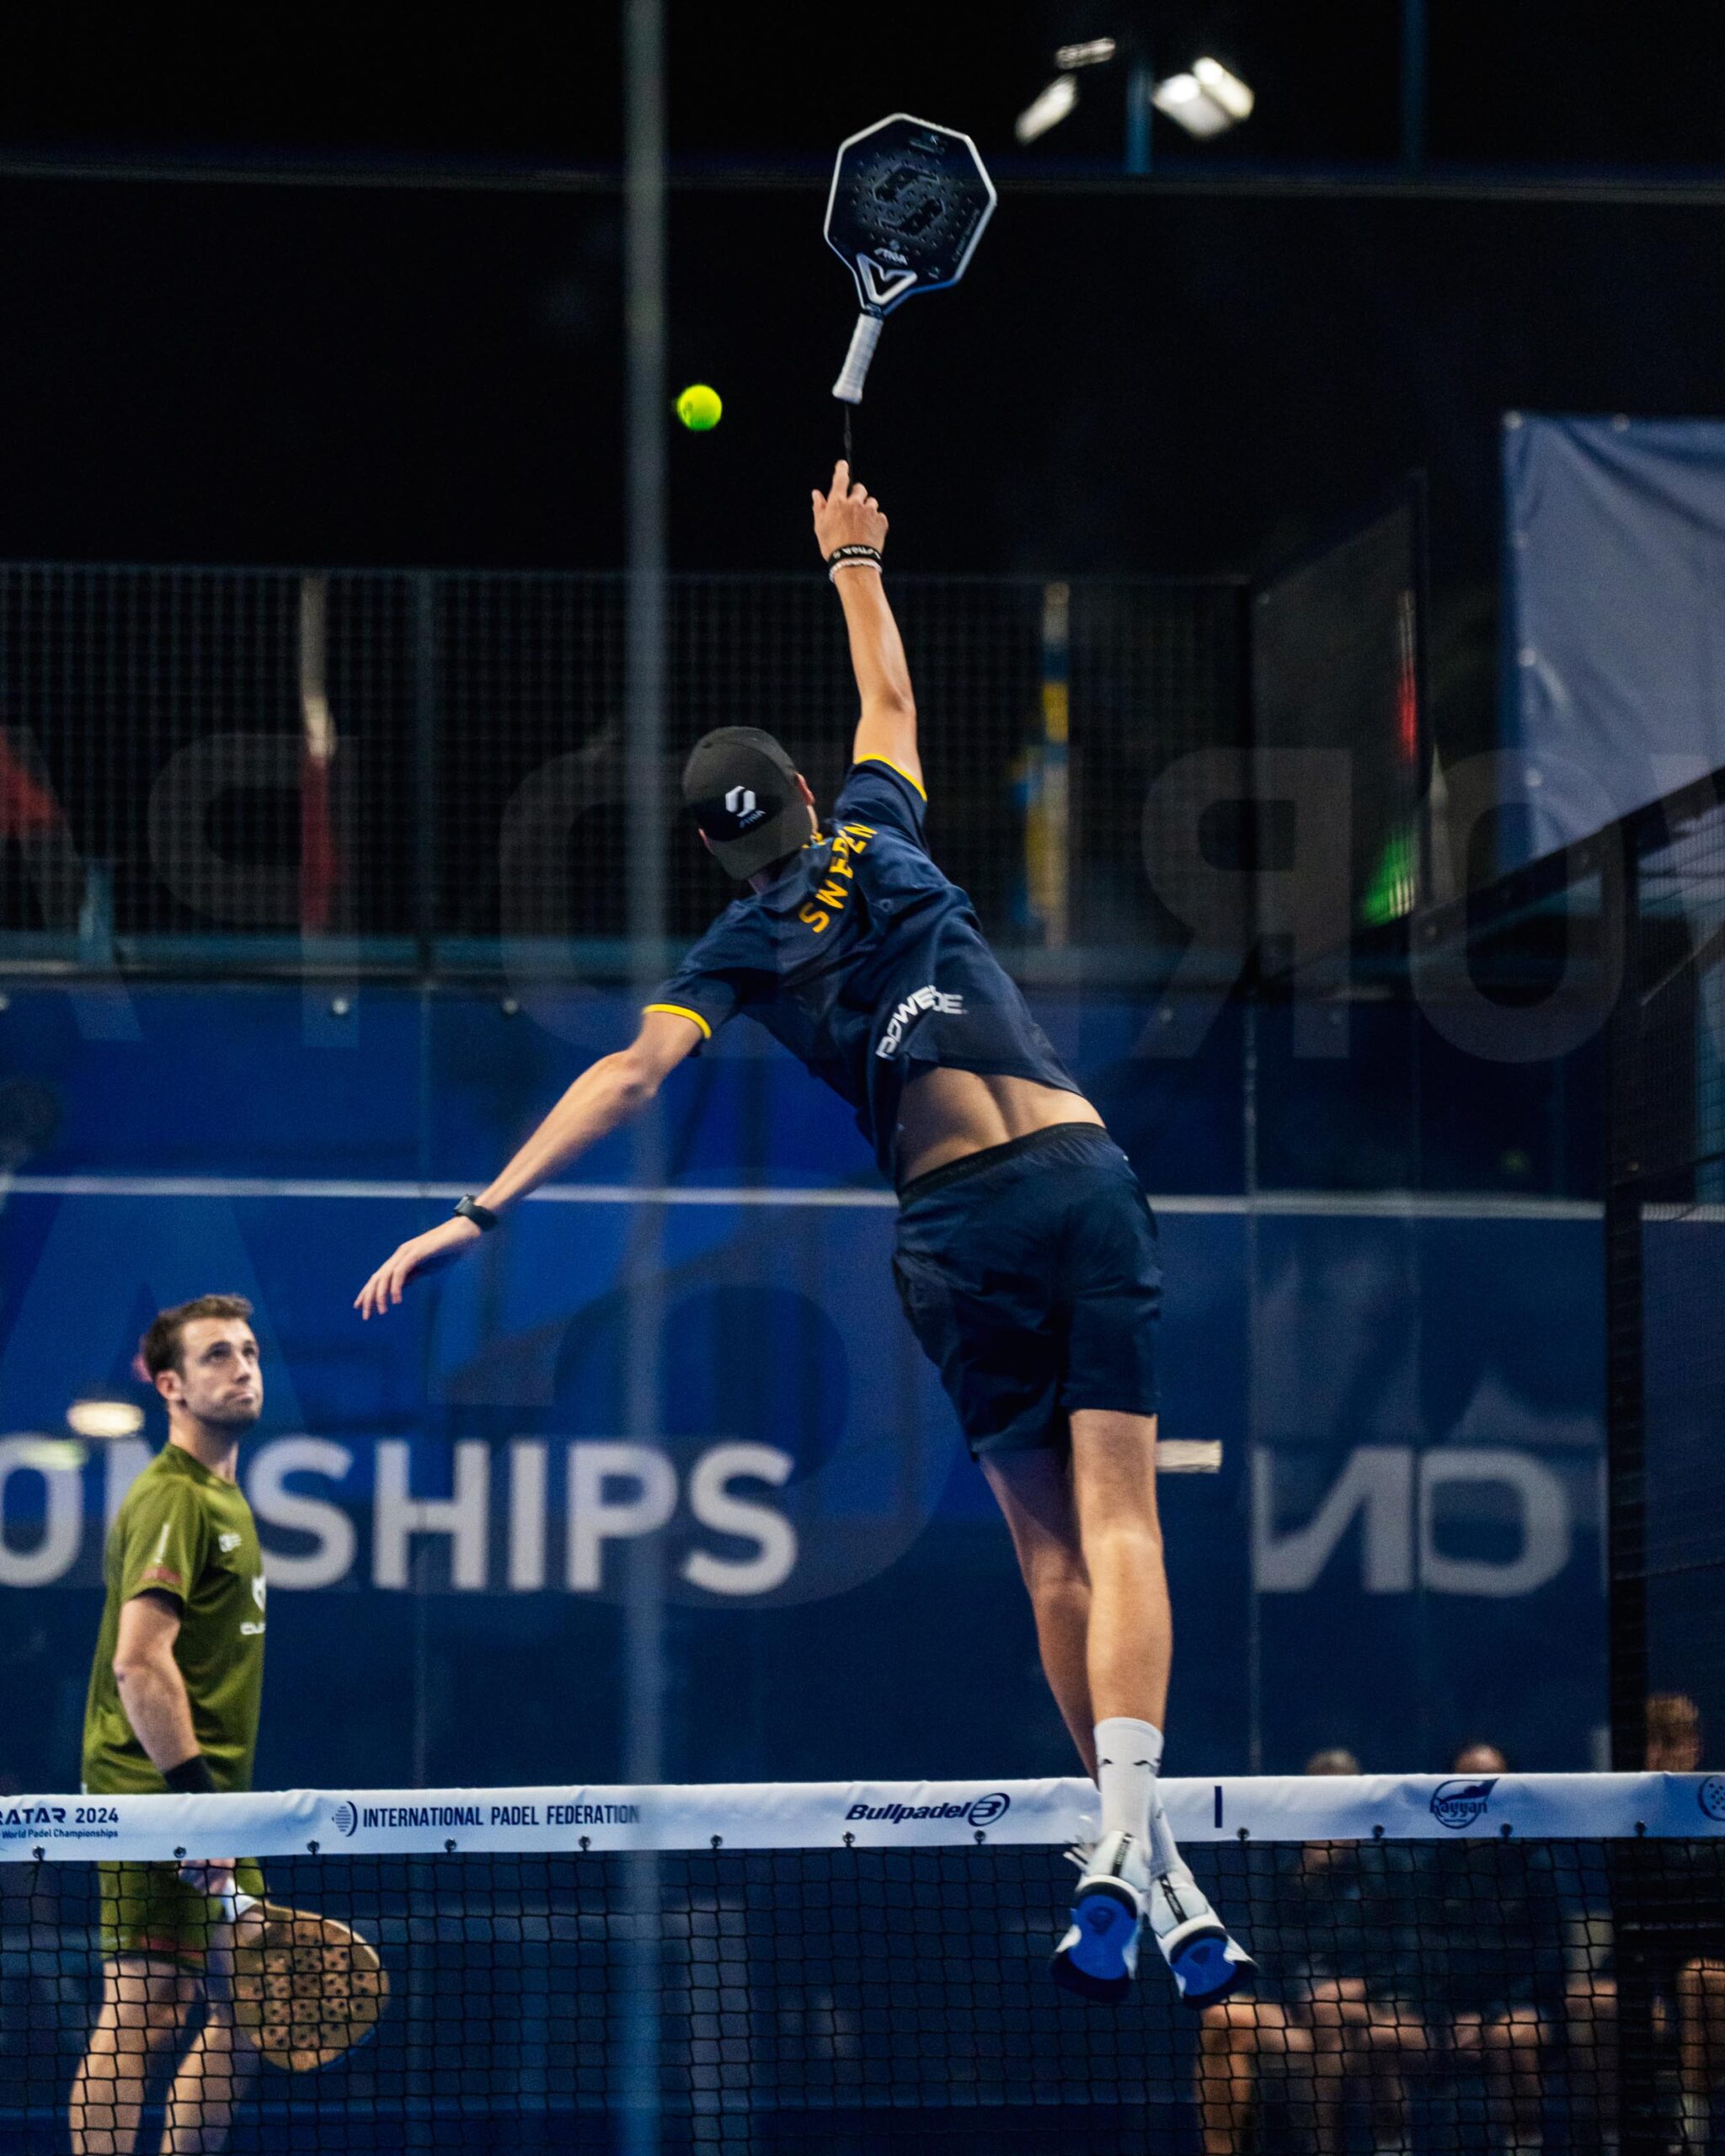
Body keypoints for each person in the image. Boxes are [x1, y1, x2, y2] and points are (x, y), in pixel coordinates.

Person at [355, 460, 1252, 2009]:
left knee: (1051, 1555)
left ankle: (1136, 1856)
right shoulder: (886, 833)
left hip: (958, 1227)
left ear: (721, 850)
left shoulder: (739, 943)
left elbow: (628, 1077)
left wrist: (478, 1210)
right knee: (1126, 1530)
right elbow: (888, 697)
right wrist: (851, 560)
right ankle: (1133, 1849)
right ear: (809, 800)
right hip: (1082, 1173)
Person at [69, 1295, 270, 2156]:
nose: (242, 1367)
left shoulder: (225, 1500)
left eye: (249, 1351)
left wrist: (211, 1811)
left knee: (255, 2002)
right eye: (217, 1354)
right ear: (170, 1385)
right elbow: (138, 1663)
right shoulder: (172, 1498)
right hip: (155, 1793)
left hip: (208, 1801)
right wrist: (195, 1811)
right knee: (145, 2004)